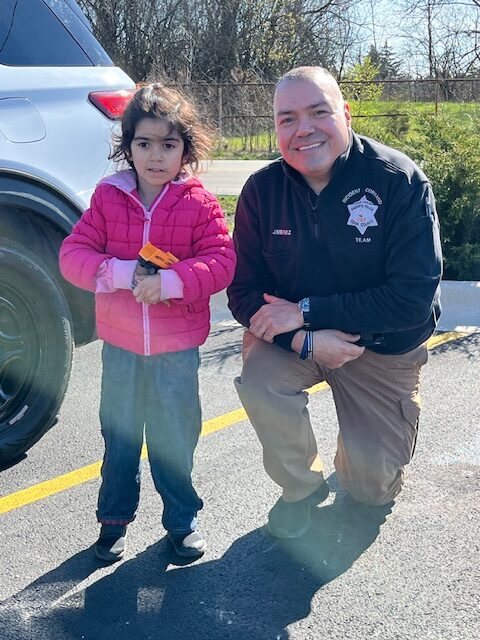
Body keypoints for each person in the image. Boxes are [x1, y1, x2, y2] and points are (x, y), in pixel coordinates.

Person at [227, 66, 442, 539]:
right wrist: (304, 339)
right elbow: (243, 292)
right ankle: (301, 487)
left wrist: (307, 312)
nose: (303, 129)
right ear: (276, 129)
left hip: (381, 349)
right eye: (287, 119)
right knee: (259, 379)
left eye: (318, 112)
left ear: (345, 113)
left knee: (370, 490)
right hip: (296, 343)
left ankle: (366, 452)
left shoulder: (398, 181)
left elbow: (411, 299)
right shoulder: (262, 192)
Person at [60, 83, 236, 561]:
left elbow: (222, 261)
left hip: (176, 352)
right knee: (119, 438)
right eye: (144, 143)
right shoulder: (108, 199)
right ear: (128, 146)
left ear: (186, 148)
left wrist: (172, 282)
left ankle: (181, 521)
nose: (156, 156)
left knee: (174, 437)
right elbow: (72, 255)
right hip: (119, 347)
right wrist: (119, 274)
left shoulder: (198, 204)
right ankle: (113, 522)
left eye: (168, 144)